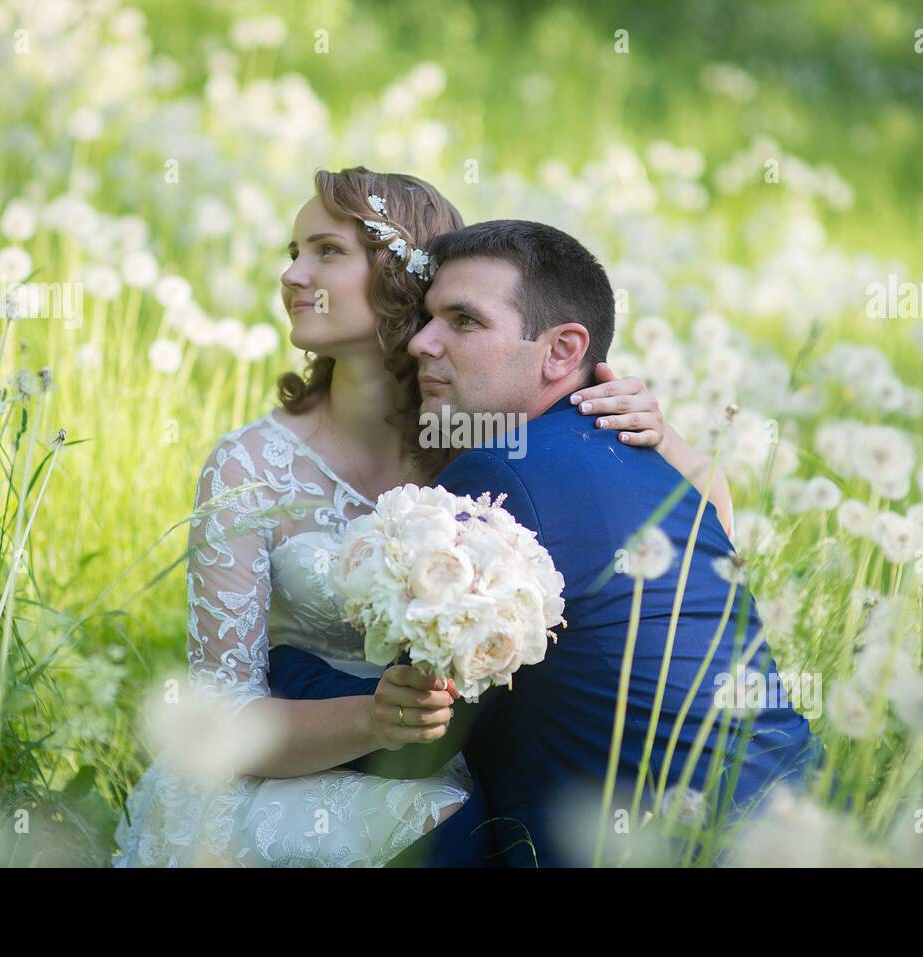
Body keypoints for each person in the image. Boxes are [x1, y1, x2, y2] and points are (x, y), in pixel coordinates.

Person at [114, 169, 724, 866]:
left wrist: (660, 434)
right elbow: (221, 720)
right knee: (437, 822)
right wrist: (378, 717)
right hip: (295, 761)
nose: (293, 274)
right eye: (293, 252)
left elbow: (711, 532)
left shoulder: (483, 424)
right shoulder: (248, 466)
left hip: (479, 754)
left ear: (403, 277)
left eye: (326, 251)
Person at [267, 219, 825, 867]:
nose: (422, 342)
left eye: (463, 321)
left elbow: (417, 737)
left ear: (562, 351)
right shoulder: (651, 461)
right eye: (426, 318)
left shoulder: (496, 475)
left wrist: (283, 665)